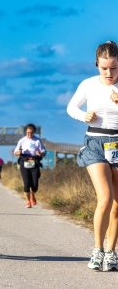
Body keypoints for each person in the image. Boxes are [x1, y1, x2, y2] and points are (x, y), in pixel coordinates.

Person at [67, 40, 118, 272]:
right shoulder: (88, 84)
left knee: (117, 205)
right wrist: (83, 116)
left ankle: (111, 253)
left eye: (114, 68)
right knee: (105, 198)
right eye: (104, 68)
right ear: (97, 64)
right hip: (95, 143)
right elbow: (71, 108)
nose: (109, 73)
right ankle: (97, 249)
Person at [13, 124, 46, 209]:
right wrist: (18, 153)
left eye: (31, 133)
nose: (29, 135)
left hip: (34, 162)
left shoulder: (37, 140)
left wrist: (41, 153)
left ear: (34, 132)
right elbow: (15, 152)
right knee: (26, 184)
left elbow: (44, 152)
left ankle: (32, 194)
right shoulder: (22, 141)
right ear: (25, 132)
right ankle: (28, 201)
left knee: (34, 185)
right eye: (28, 133)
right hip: (24, 162)